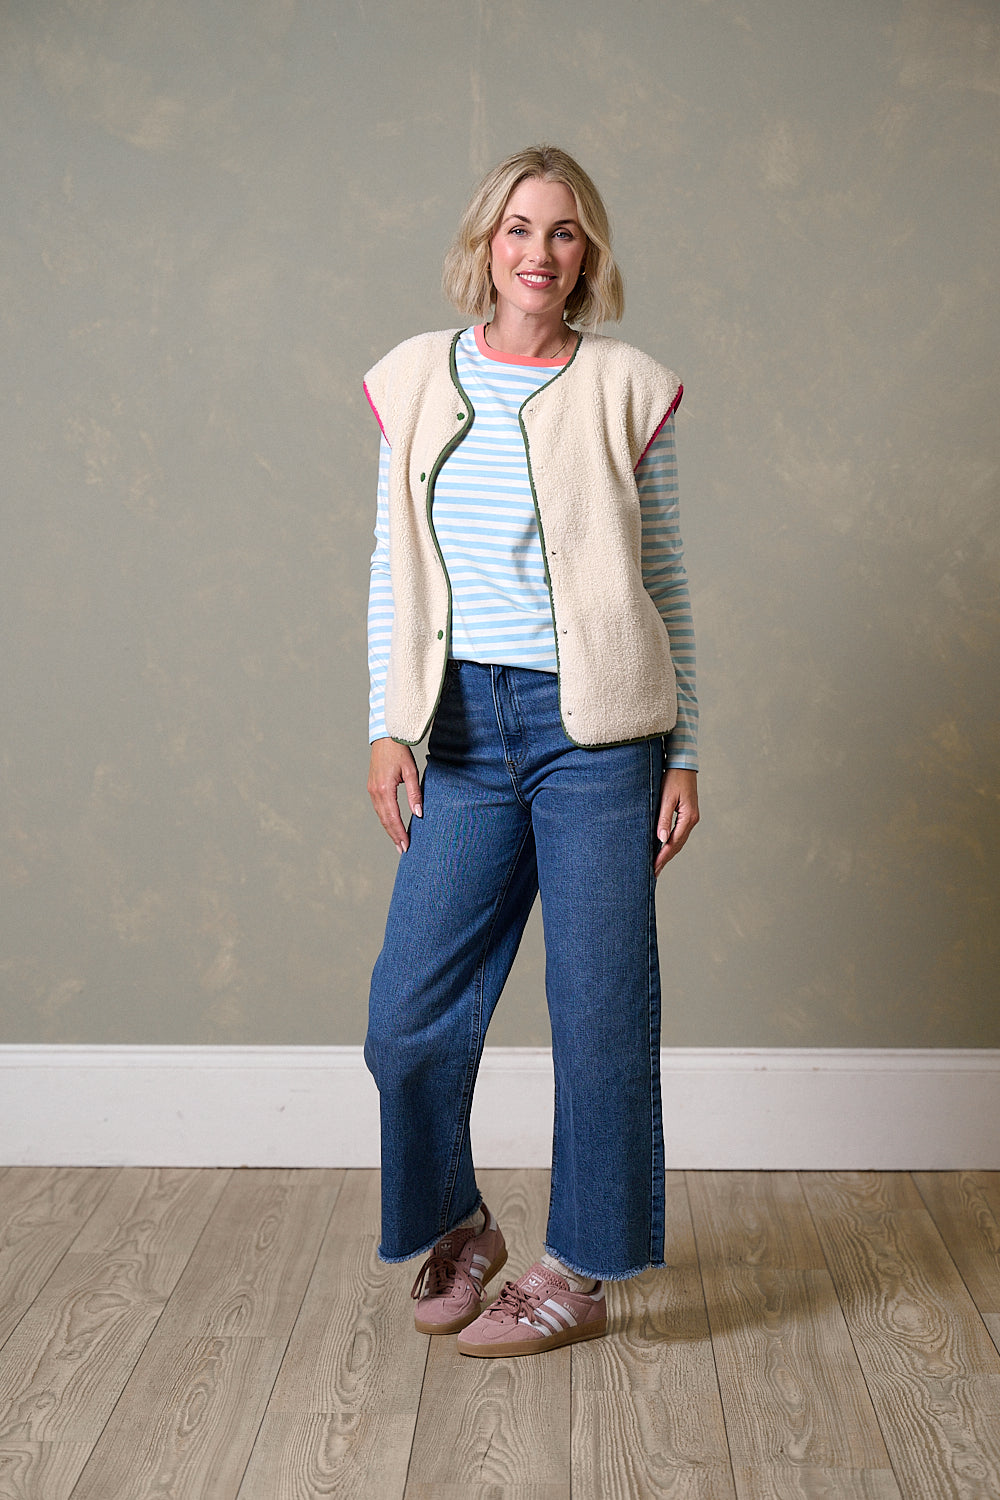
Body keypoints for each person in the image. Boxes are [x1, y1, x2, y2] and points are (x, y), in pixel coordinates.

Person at [363, 144, 699, 1357]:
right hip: (456, 734)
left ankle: (580, 1270)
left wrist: (685, 751)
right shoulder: (414, 378)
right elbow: (389, 568)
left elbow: (663, 581)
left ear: (586, 253)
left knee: (599, 1010)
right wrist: (385, 725)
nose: (539, 254)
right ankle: (459, 1221)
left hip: (599, 737)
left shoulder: (624, 385)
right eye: (519, 229)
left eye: (563, 233)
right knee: (405, 1019)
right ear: (485, 244)